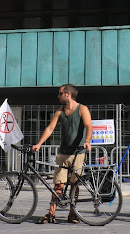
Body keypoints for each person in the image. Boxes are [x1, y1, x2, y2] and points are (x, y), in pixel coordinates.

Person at [32, 84, 93, 224]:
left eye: (60, 93)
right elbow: (50, 128)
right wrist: (39, 144)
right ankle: (51, 213)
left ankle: (73, 213)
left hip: (78, 153)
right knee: (58, 185)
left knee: (74, 185)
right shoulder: (60, 112)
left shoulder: (82, 109)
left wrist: (88, 141)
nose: (58, 96)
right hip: (63, 153)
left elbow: (89, 126)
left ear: (68, 94)